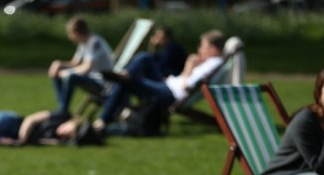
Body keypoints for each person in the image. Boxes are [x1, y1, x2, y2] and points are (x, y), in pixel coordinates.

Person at [94, 29, 226, 130]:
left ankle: (103, 119)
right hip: (168, 84)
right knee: (145, 57)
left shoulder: (212, 65)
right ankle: (125, 76)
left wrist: (189, 67)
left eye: (203, 46)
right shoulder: (210, 63)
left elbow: (187, 87)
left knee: (126, 82)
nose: (200, 49)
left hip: (170, 94)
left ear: (213, 49)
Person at [48, 16, 114, 115]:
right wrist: (59, 64)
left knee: (70, 77)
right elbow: (75, 63)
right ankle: (62, 108)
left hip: (102, 82)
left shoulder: (95, 43)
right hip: (91, 78)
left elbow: (87, 68)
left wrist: (67, 72)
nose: (69, 37)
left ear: (76, 32)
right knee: (57, 73)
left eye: (70, 33)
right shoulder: (83, 44)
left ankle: (63, 111)